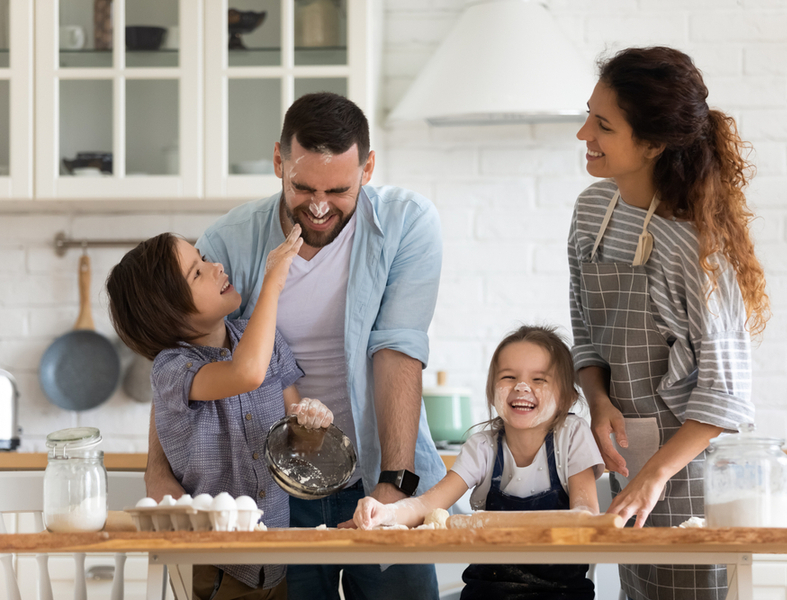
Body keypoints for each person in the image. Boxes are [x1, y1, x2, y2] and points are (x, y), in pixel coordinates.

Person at [143, 92, 447, 600]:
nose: (320, 206)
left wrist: (393, 484)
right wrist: (157, 472)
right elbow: (180, 360)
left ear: (368, 168)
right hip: (274, 491)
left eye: (339, 189)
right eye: (303, 187)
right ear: (279, 162)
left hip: (383, 474)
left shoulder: (407, 224)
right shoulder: (229, 243)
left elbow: (397, 351)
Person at [568, 46, 770, 600]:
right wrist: (598, 400)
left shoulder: (693, 247)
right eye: (588, 115)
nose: (584, 133)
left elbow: (726, 395)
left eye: (604, 125)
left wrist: (653, 475)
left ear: (653, 144)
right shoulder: (590, 212)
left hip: (689, 478)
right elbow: (585, 333)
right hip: (627, 460)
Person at [107, 224, 335, 600]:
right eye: (197, 273)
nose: (216, 267)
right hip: (215, 568)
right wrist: (273, 282)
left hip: (276, 561)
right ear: (168, 312)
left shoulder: (267, 342)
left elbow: (296, 445)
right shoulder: (172, 370)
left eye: (204, 259)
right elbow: (245, 373)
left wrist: (312, 422)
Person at [355, 325, 605, 600]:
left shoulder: (572, 436)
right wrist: (385, 513)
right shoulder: (483, 447)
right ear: (491, 391)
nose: (522, 387)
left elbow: (585, 515)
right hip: (488, 592)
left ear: (568, 397)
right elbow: (427, 505)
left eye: (539, 379)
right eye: (509, 377)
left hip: (562, 593)